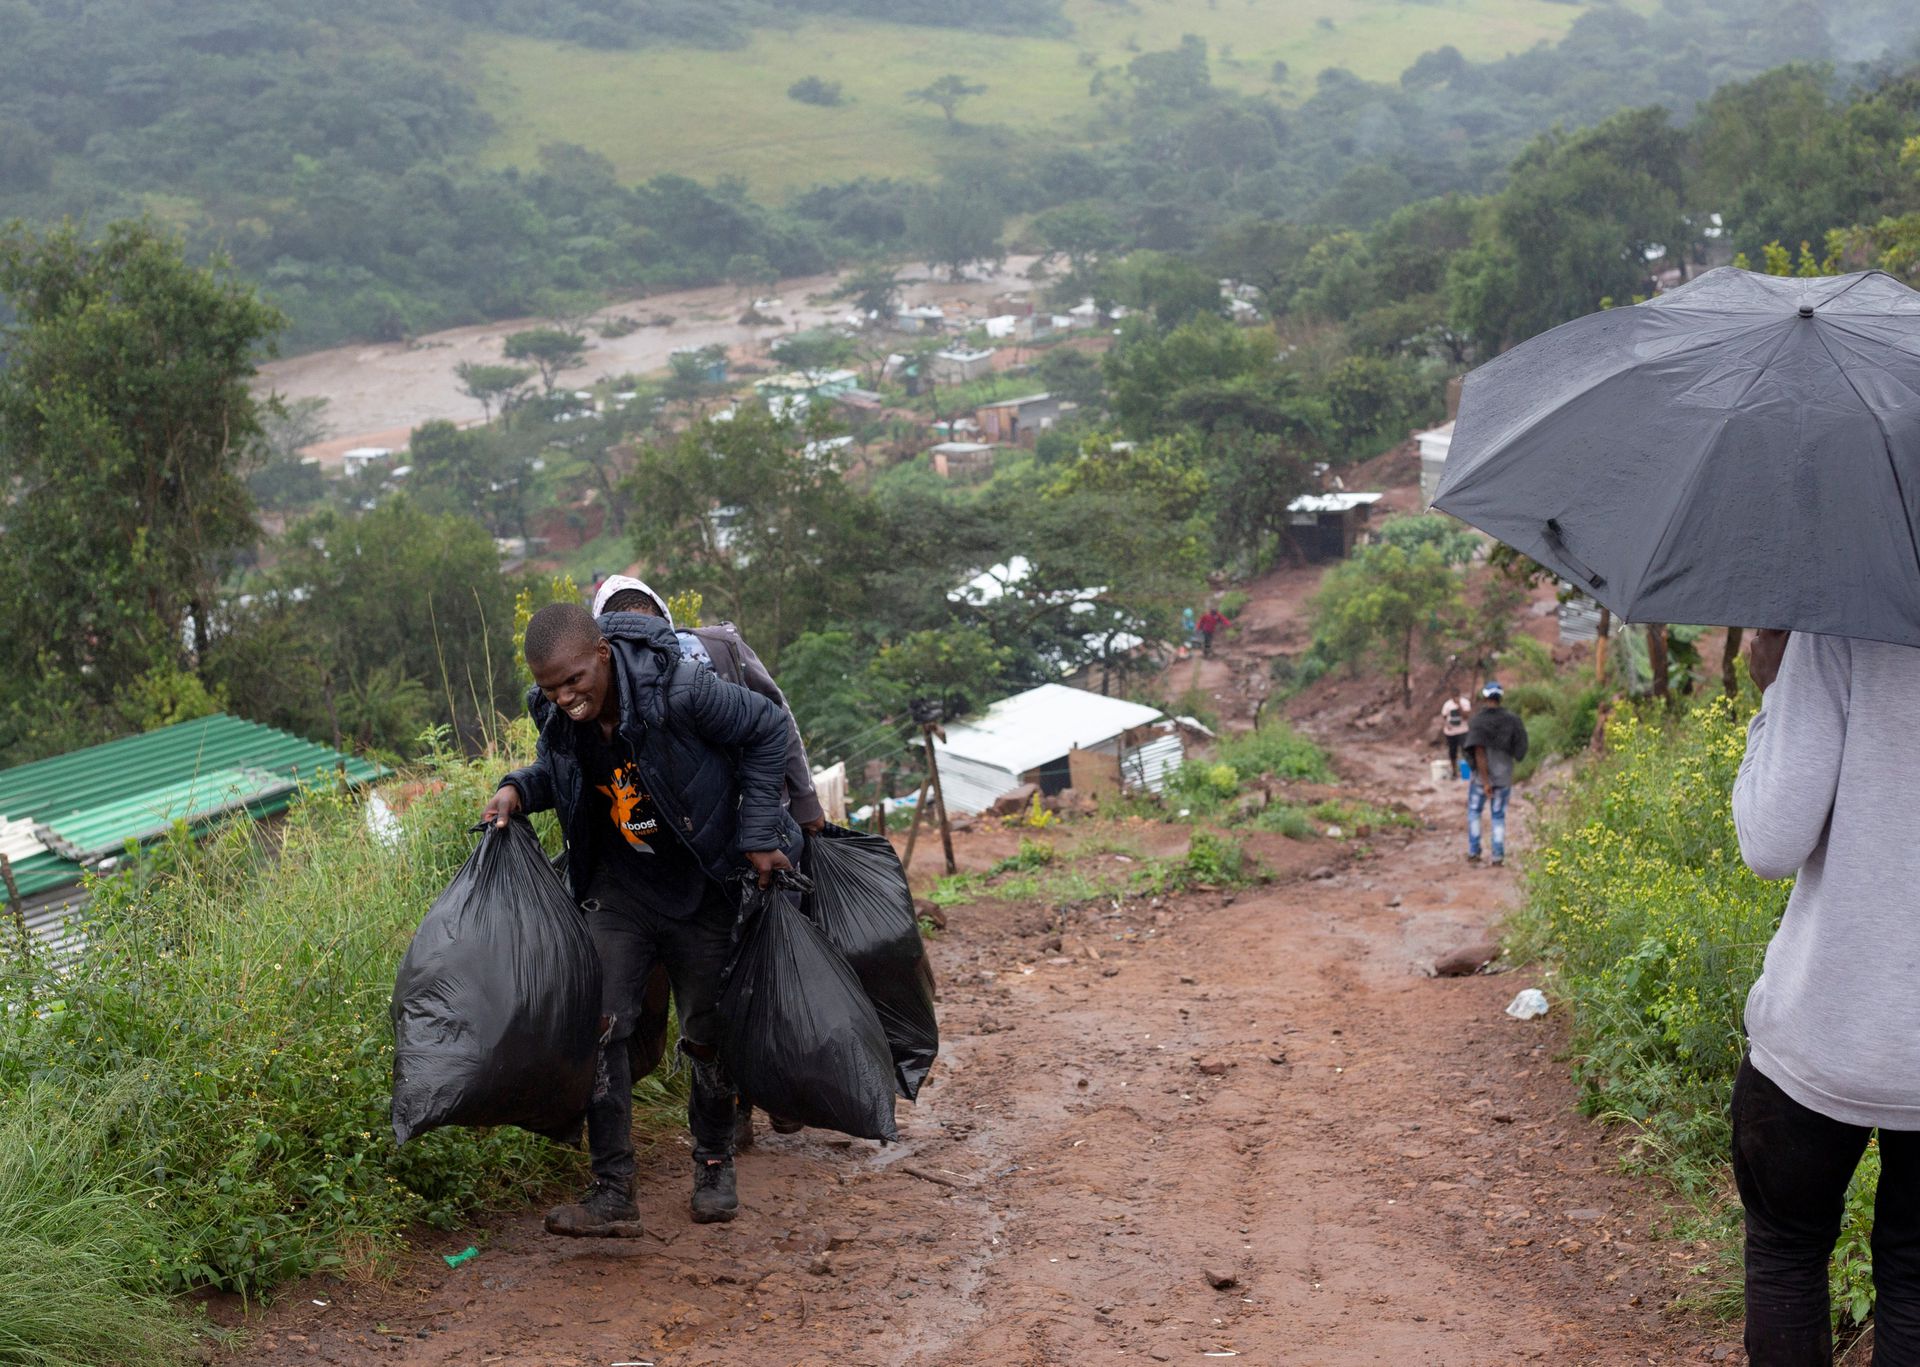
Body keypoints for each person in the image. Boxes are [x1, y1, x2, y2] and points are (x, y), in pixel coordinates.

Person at [481, 603, 800, 1237]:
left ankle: (714, 1166)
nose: (566, 697)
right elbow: (562, 775)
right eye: (550, 687)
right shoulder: (555, 715)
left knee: (707, 1032)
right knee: (599, 1026)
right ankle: (612, 1190)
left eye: (574, 681)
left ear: (601, 653)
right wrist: (518, 787)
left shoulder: (678, 688)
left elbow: (767, 728)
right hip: (621, 892)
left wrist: (760, 832)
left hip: (703, 883)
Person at [1731, 628, 1920, 1364]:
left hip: (1824, 1032)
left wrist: (1776, 690)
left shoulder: (1844, 614)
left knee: (1786, 1251)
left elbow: (1770, 841)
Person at [591, 574, 820, 1151]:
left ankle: (778, 1087)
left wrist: (804, 810)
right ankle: (736, 1111)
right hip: (683, 860)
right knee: (714, 990)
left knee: (761, 969)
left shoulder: (715, 653)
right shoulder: (603, 688)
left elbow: (778, 723)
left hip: (752, 839)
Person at [591, 575, 823, 831]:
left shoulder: (718, 649)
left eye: (650, 635)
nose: (644, 651)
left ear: (665, 625)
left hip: (762, 819)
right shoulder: (607, 696)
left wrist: (806, 802)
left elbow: (778, 720)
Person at [1462, 680, 1526, 866]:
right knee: (1498, 816)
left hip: (1481, 780)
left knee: (1474, 812)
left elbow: (1478, 751)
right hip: (1503, 776)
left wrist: (1485, 781)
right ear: (1500, 697)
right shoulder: (1512, 720)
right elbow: (1520, 747)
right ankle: (1497, 856)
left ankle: (1474, 852)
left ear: (1484, 697)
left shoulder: (1478, 721)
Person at [1438, 692, 1473, 777]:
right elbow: (1443, 717)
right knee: (1452, 752)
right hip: (1451, 732)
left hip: (1463, 730)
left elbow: (1466, 716)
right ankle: (1454, 772)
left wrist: (1459, 706)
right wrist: (1447, 725)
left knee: (1465, 751)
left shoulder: (1465, 703)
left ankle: (1465, 773)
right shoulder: (1447, 705)